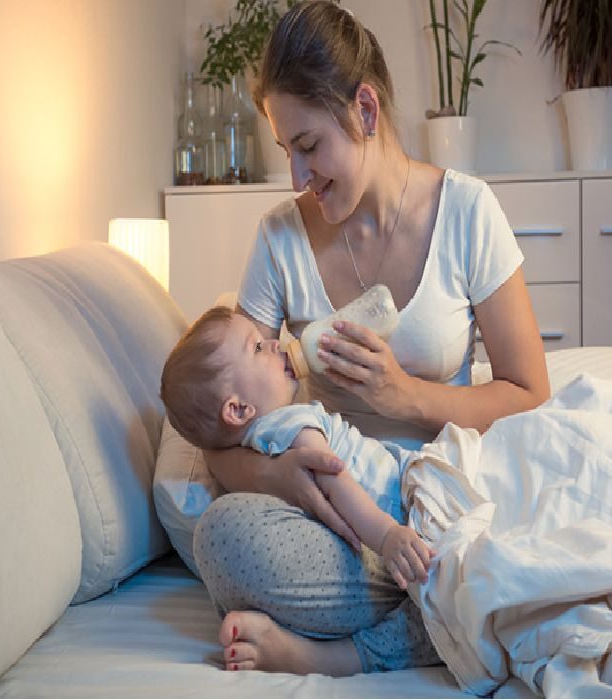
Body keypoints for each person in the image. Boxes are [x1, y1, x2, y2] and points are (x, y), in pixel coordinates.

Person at [192, 0, 550, 677]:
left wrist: (407, 396)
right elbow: (224, 441)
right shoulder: (278, 238)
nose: (298, 179)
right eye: (286, 153)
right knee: (222, 537)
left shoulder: (467, 211)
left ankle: (345, 647)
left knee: (504, 545)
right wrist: (283, 477)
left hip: (441, 502)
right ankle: (444, 609)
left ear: (364, 109)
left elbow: (531, 393)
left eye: (308, 148)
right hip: (336, 524)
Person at [161, 305, 436, 591]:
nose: (274, 342)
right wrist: (387, 536)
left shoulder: (259, 443)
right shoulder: (289, 423)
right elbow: (335, 480)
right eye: (257, 347)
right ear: (239, 409)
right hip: (404, 497)